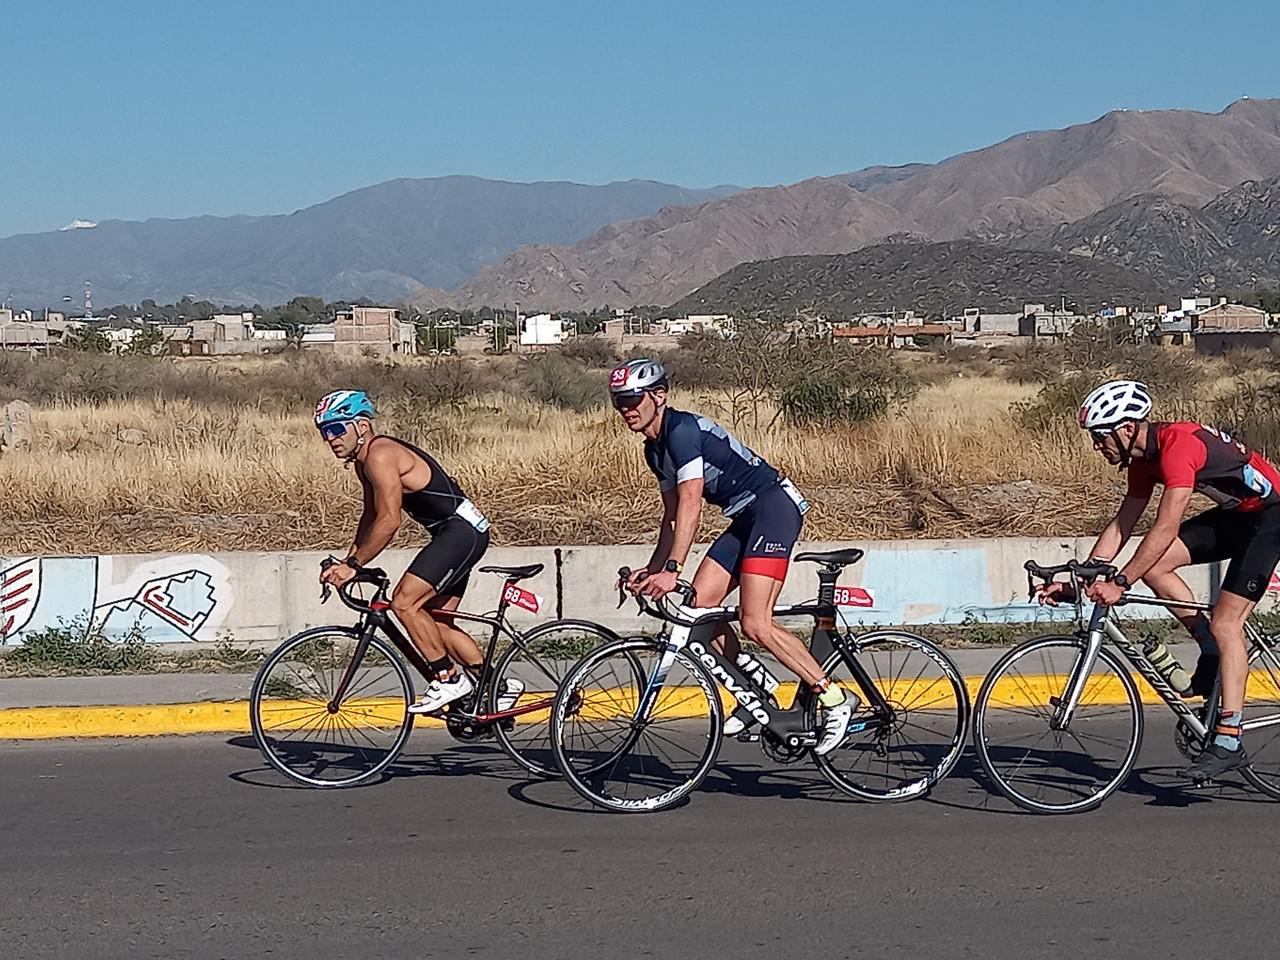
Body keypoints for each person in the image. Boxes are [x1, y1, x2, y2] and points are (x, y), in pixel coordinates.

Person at [609, 358, 855, 754]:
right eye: (619, 401)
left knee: (755, 622)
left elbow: (691, 501)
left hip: (773, 508)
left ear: (659, 396)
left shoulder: (682, 431)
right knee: (699, 608)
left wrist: (673, 569)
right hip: (745, 517)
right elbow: (671, 517)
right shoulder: (654, 452)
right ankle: (754, 691)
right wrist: (652, 570)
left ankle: (833, 698)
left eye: (634, 399)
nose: (627, 409)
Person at [1039, 379, 1280, 779]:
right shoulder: (1141, 462)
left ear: (1126, 428)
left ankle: (1228, 738)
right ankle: (1211, 650)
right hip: (1238, 516)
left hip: (1273, 518)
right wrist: (1081, 582)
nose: (1097, 447)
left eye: (1100, 437)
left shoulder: (1178, 446)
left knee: (1227, 622)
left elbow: (1166, 527)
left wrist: (1121, 583)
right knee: (1155, 567)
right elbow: (1123, 523)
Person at [313, 390, 521, 715]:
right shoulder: (363, 463)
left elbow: (389, 520)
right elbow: (370, 517)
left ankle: (448, 678)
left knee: (404, 603)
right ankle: (499, 686)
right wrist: (347, 560)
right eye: (324, 432)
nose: (330, 439)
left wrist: (355, 565)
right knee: (434, 621)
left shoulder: (381, 454)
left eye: (336, 429)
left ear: (362, 426)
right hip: (454, 531)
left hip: (461, 530)